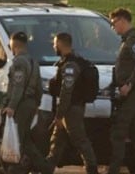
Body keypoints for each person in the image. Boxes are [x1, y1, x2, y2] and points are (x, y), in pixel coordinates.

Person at [46, 33, 98, 174]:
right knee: (57, 140)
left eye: (55, 44)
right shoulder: (69, 62)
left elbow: (66, 92)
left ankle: (92, 168)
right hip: (68, 109)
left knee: (79, 139)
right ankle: (47, 167)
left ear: (60, 44)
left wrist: (59, 115)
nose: (54, 47)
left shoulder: (70, 65)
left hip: (71, 109)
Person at [3, 31, 52, 174]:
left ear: (14, 44)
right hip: (31, 103)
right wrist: (36, 103)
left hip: (21, 104)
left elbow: (18, 86)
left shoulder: (19, 62)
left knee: (17, 138)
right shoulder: (33, 61)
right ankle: (44, 167)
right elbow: (39, 87)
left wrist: (11, 106)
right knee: (25, 140)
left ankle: (16, 168)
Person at [106, 7, 135, 174]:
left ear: (123, 20)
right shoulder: (127, 40)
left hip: (133, 93)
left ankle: (114, 169)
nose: (113, 26)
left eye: (114, 23)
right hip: (129, 93)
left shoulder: (134, 40)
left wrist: (129, 84)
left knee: (119, 132)